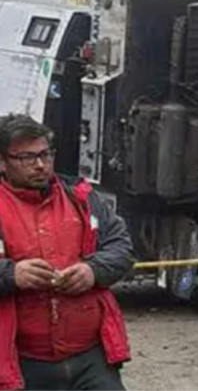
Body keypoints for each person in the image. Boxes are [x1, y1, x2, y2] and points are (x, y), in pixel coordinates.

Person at [0, 114, 134, 391]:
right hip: (21, 363)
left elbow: (121, 247)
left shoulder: (81, 197)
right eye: (26, 157)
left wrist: (92, 271)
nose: (40, 165)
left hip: (90, 359)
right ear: (2, 162)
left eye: (45, 154)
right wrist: (11, 274)